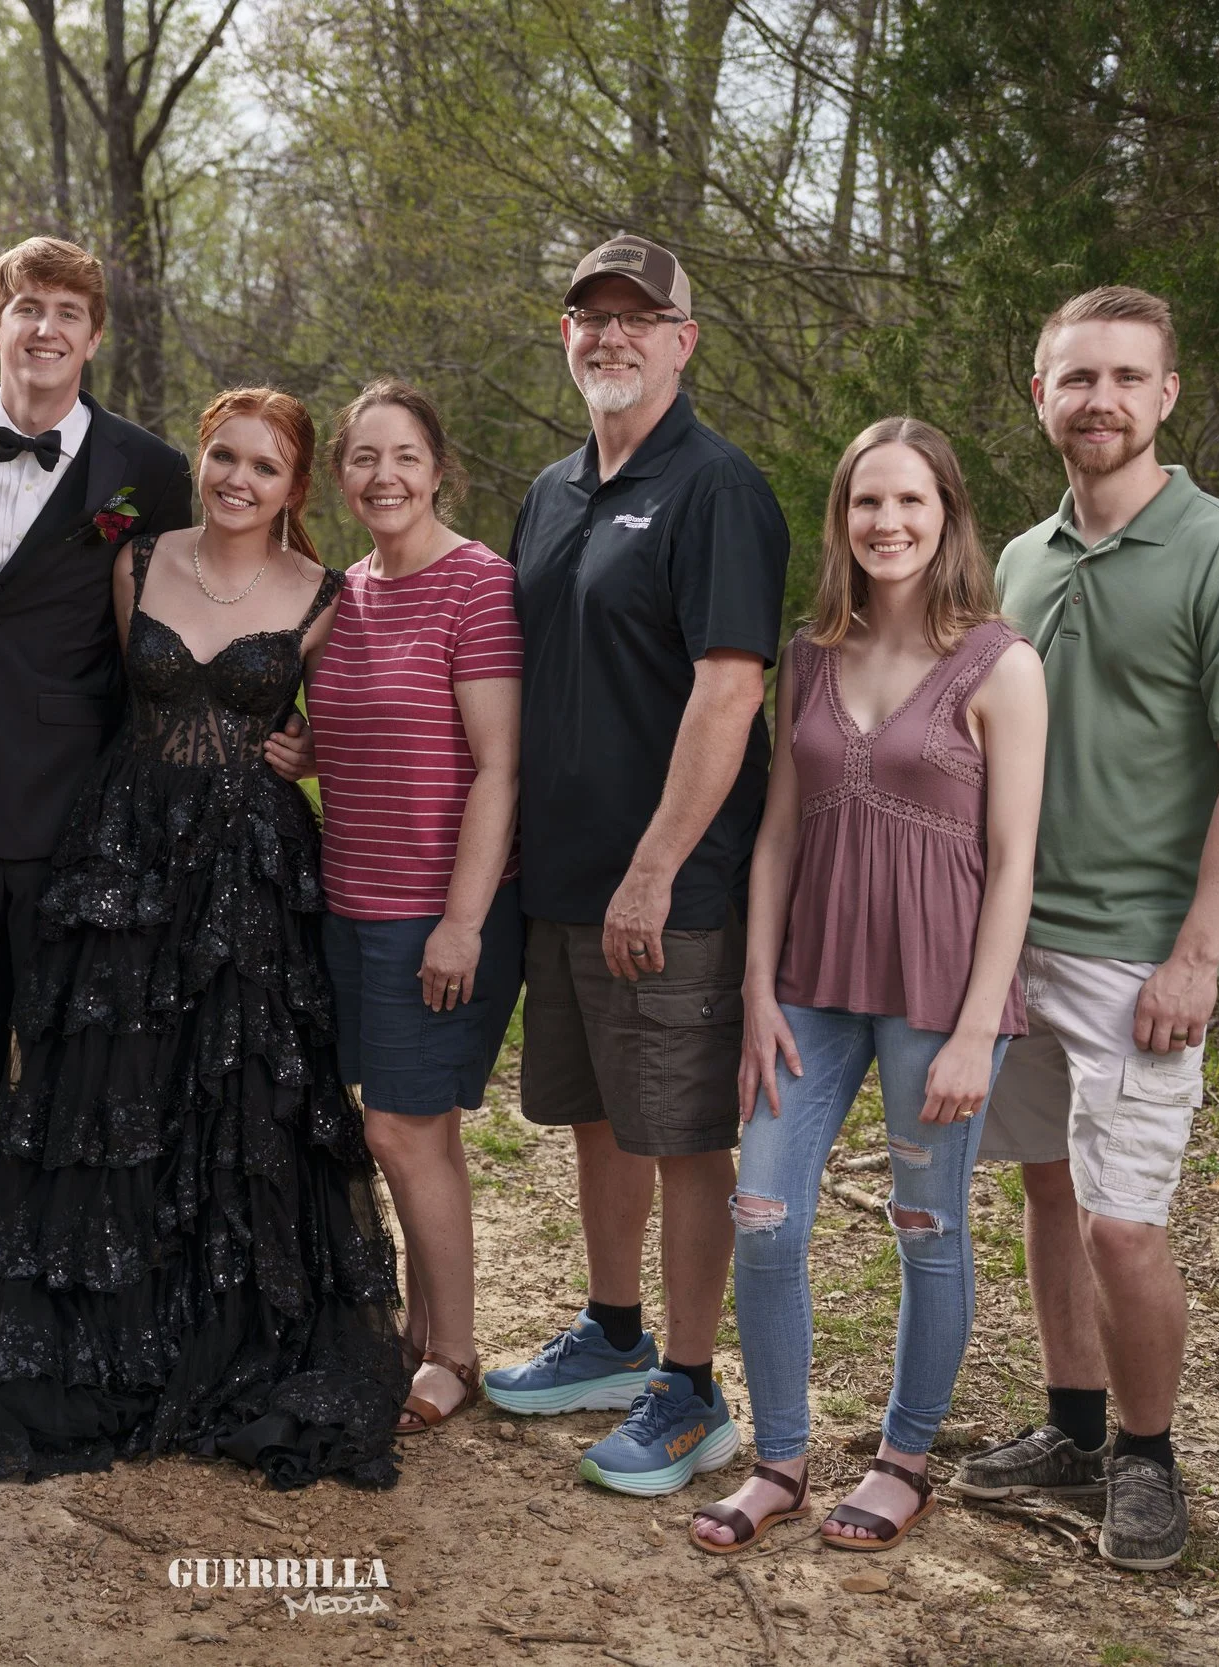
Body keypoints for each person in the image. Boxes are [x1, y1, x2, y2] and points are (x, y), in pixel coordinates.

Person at [0, 388, 406, 1490]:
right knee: (114, 1085)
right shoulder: (136, 558)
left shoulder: (325, 594)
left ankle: (230, 1328)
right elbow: (111, 696)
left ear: (295, 487)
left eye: (265, 466)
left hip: (251, 870)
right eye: (224, 455)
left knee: (241, 1096)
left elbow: (361, 717)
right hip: (127, 849)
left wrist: (308, 754)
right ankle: (104, 1316)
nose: (238, 479)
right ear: (198, 460)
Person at [959, 286, 1219, 1572]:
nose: (1096, 397)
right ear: (1037, 395)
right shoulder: (1018, 560)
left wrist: (1196, 954)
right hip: (1013, 943)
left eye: (1123, 376)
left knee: (1123, 1218)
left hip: (1137, 957)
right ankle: (1070, 1424)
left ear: (1165, 395)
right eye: (1073, 376)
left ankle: (1148, 1457)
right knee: (1047, 1187)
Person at [690, 419, 1046, 1555]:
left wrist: (976, 1021)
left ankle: (901, 1460)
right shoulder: (806, 656)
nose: (886, 523)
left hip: (941, 994)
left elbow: (1015, 857)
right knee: (761, 1213)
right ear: (841, 517)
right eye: (864, 503)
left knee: (926, 1223)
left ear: (946, 514)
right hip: (807, 983)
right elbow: (777, 837)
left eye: (909, 502)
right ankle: (780, 1459)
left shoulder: (1002, 662)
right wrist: (756, 987)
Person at [480, 235, 790, 1499]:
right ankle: (611, 1334)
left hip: (670, 888)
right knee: (597, 1113)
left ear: (682, 339)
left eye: (635, 316)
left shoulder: (717, 488)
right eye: (587, 316)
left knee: (680, 1133)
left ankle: (693, 1384)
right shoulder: (551, 490)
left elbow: (728, 690)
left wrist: (656, 867)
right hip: (559, 878)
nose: (608, 335)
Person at [0, 237, 191, 1355]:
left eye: (68, 311)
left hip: (74, 810)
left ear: (95, 335)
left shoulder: (145, 470)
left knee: (67, 1053)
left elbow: (188, 610)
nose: (46, 328)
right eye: (26, 307)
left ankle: (64, 1271)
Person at [289, 379, 522, 1434]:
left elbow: (497, 768)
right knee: (415, 1128)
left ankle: (456, 1350)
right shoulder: (343, 591)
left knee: (398, 1125)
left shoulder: (478, 586)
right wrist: (303, 751)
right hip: (345, 901)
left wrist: (462, 920)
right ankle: (426, 1326)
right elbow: (358, 729)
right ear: (341, 476)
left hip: (436, 910)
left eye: (405, 457)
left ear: (439, 468)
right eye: (363, 459)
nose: (384, 477)